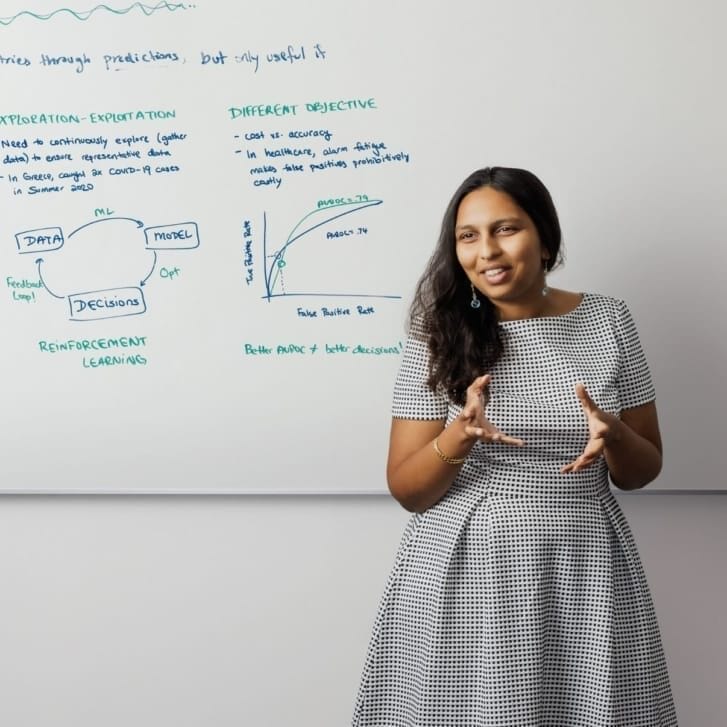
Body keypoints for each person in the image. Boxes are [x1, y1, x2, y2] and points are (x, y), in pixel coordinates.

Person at [352, 167, 677, 726]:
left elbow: (642, 470)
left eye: (505, 229)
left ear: (546, 238)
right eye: (468, 236)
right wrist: (460, 433)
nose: (487, 251)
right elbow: (406, 489)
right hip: (467, 567)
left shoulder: (609, 318)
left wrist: (614, 435)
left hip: (586, 561)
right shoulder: (439, 330)